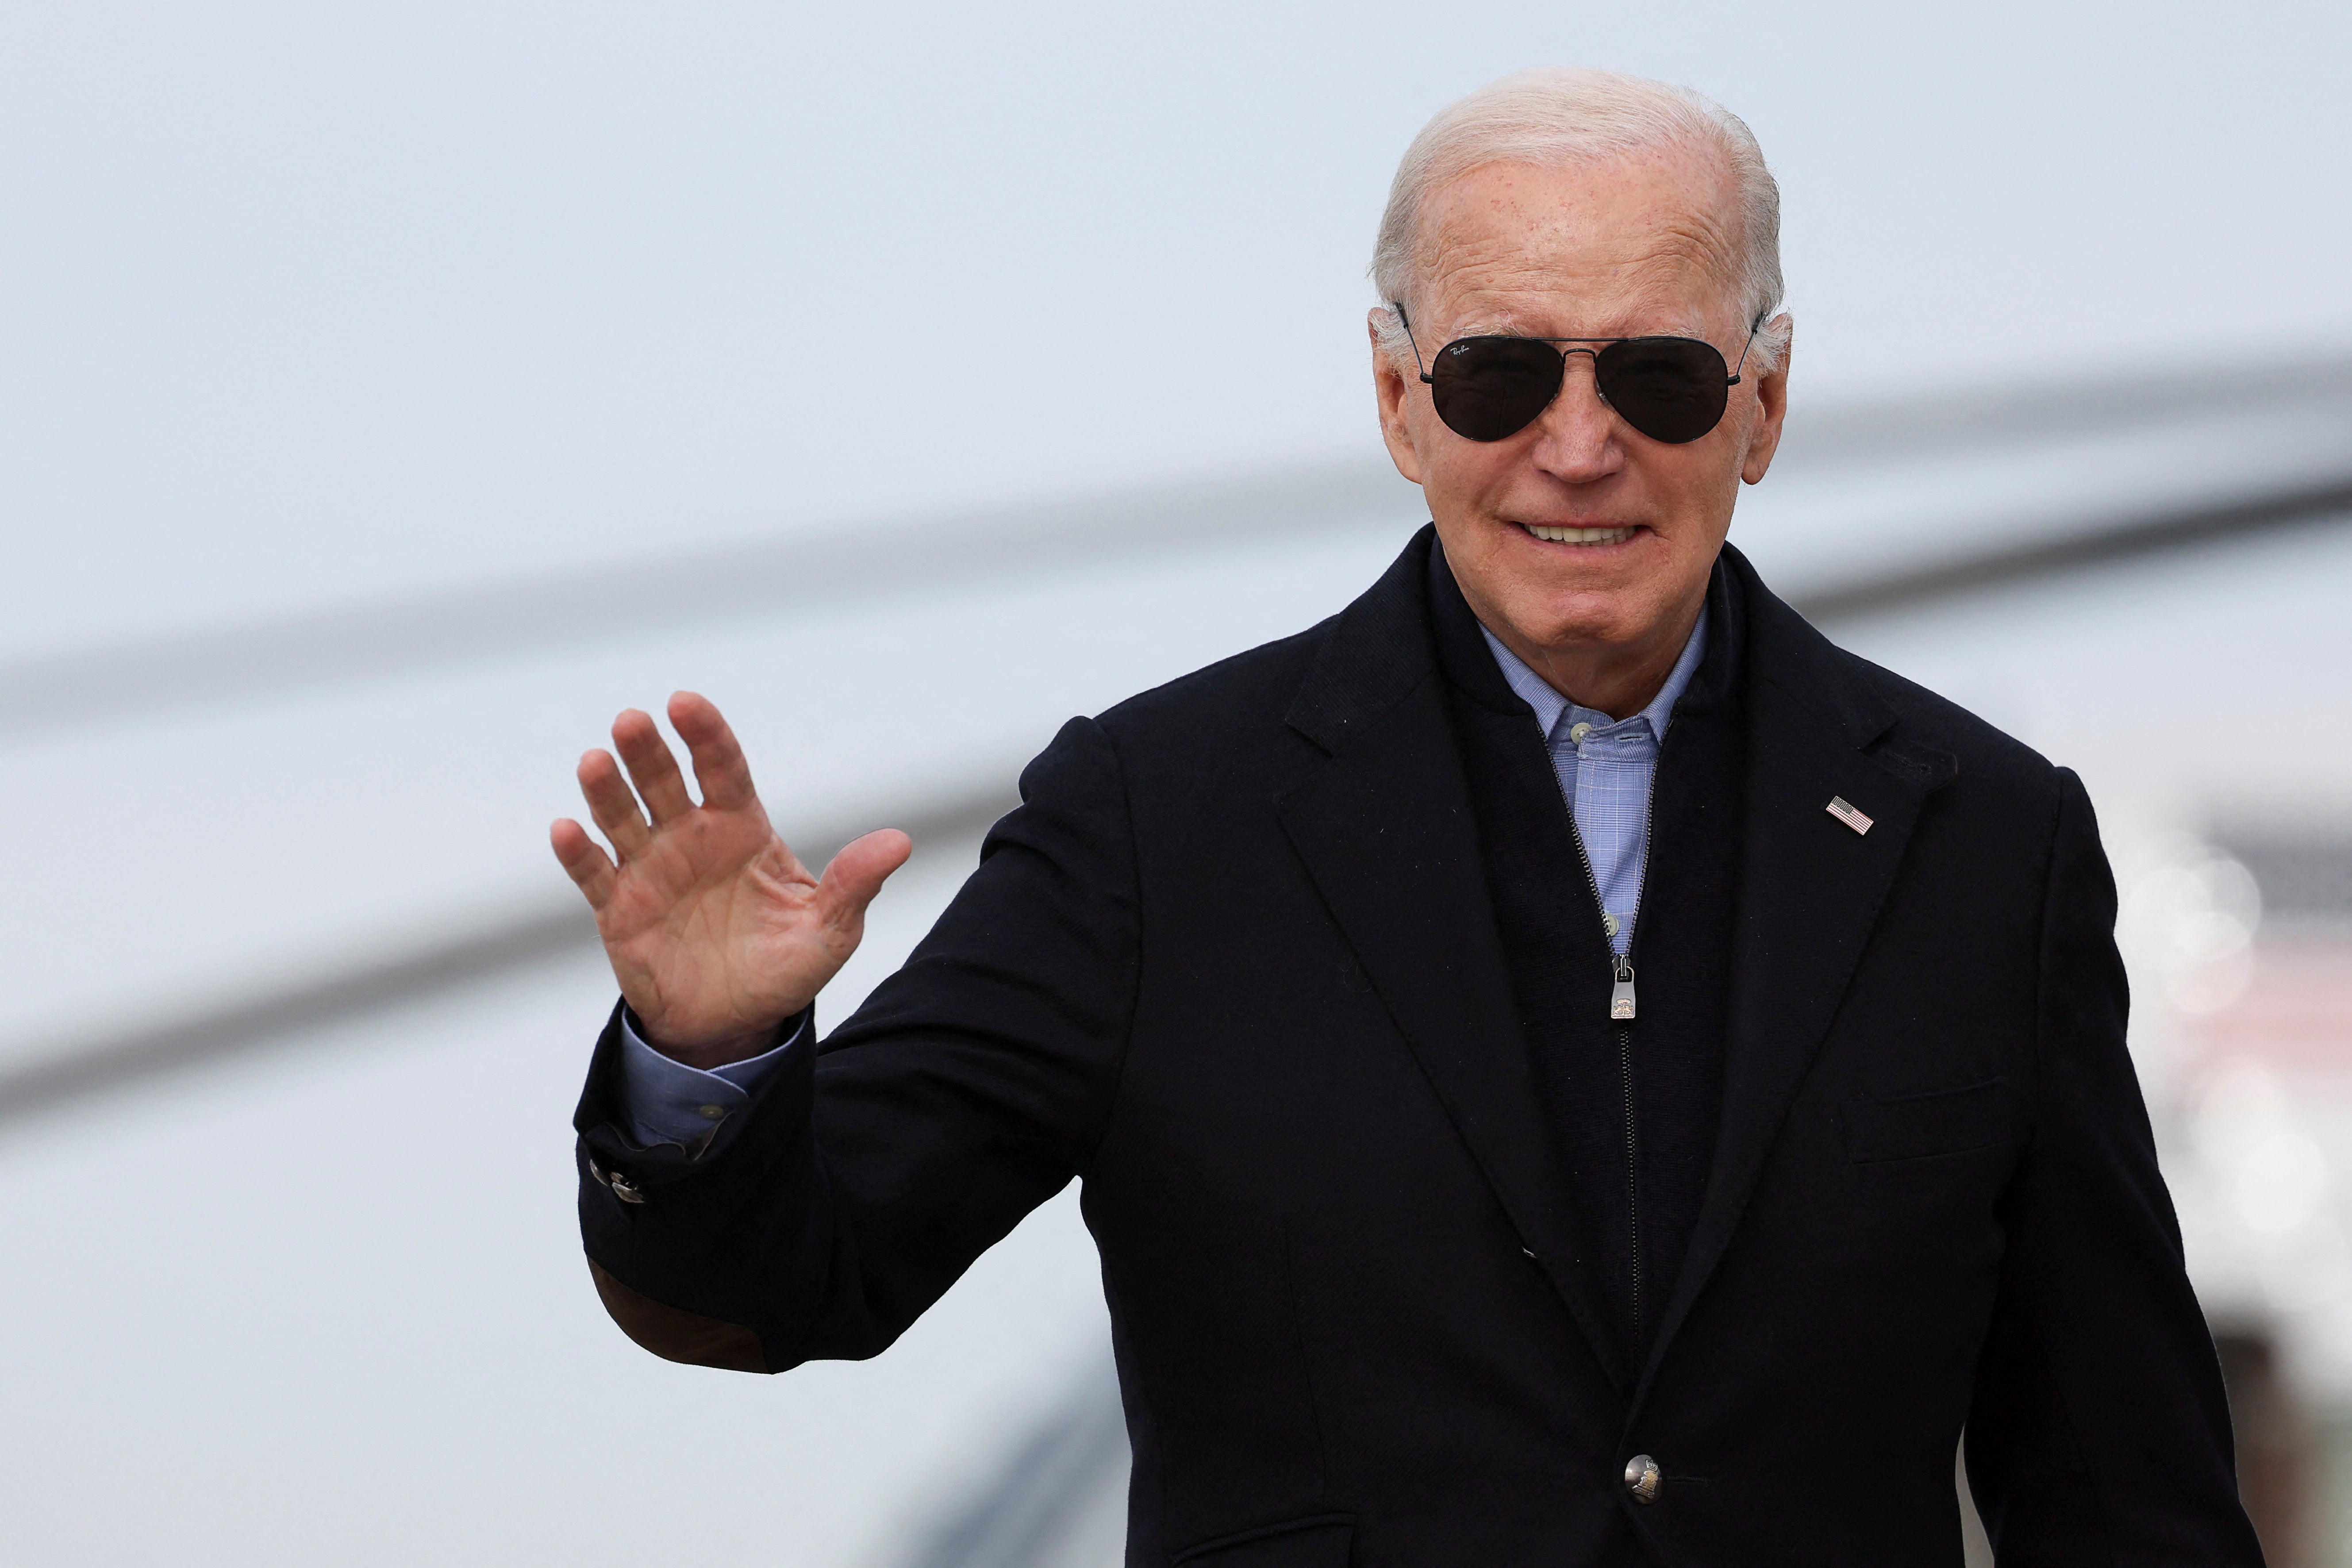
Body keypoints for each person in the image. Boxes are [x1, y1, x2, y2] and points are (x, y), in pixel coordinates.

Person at [553, 67, 2263, 1567]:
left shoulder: (1986, 846)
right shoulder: (1159, 821)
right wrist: (706, 1062)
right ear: (1395, 402)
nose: (1576, 447)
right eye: (1497, 377)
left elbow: (2123, 1494)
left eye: (1657, 379)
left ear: (1764, 403)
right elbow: (793, 1276)